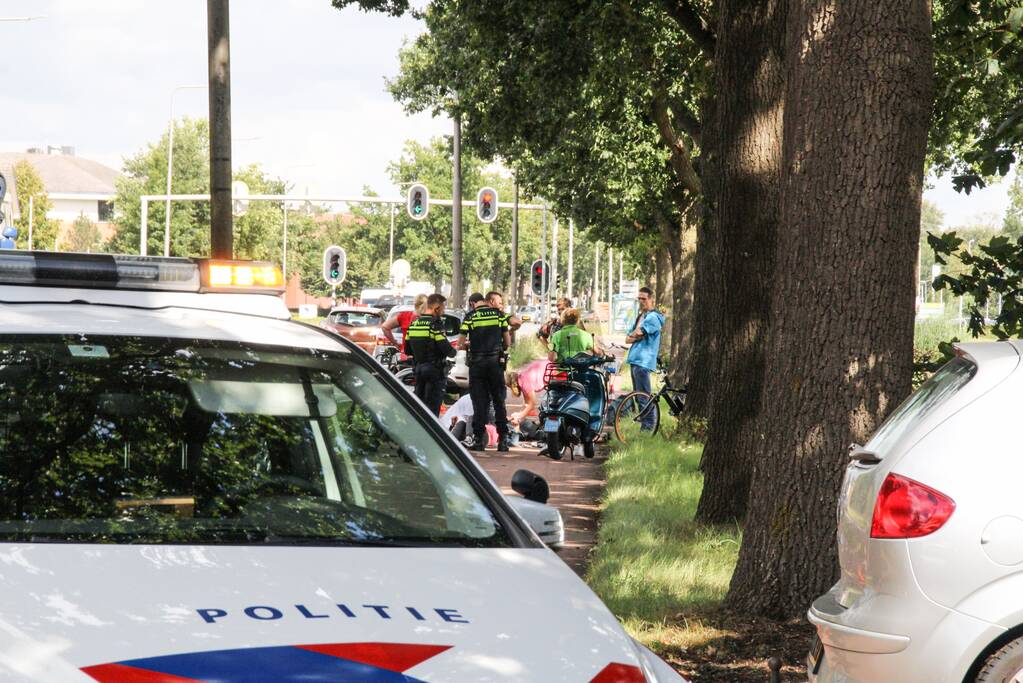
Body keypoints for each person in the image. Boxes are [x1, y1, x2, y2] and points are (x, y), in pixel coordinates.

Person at [460, 290, 512, 452]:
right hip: (495, 363)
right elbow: (507, 342)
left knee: (479, 402)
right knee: (498, 401)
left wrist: (472, 343)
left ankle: (478, 440)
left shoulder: (470, 317)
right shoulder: (499, 315)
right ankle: (503, 440)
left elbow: (461, 344)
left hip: (477, 363)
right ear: (485, 301)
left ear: (473, 304)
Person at [405, 293, 456, 415]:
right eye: (443, 308)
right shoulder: (435, 326)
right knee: (432, 409)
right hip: (435, 371)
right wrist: (456, 349)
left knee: (419, 407)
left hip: (419, 370)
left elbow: (407, 350)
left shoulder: (413, 325)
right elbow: (448, 350)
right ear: (436, 308)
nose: (443, 312)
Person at [625, 286, 664, 430]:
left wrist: (637, 334)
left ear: (651, 299)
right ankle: (645, 426)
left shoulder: (653, 317)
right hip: (635, 360)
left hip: (643, 361)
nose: (641, 301)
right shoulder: (640, 316)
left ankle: (648, 428)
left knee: (643, 397)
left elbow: (638, 333)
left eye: (644, 298)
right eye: (639, 298)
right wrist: (636, 334)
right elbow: (627, 339)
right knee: (638, 397)